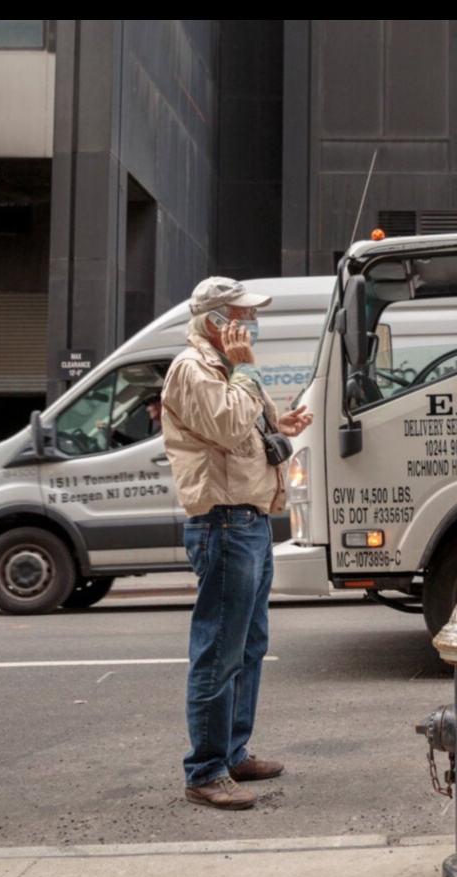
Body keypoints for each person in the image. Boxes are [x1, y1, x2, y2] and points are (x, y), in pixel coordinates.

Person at [161, 277, 313, 810]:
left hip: (249, 520)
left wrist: (280, 423)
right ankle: (205, 770)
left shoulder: (225, 367)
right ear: (214, 321)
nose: (251, 323)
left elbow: (243, 425)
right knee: (219, 651)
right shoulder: (194, 367)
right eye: (242, 314)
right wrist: (247, 371)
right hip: (224, 523)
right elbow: (226, 425)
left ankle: (232, 752)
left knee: (248, 646)